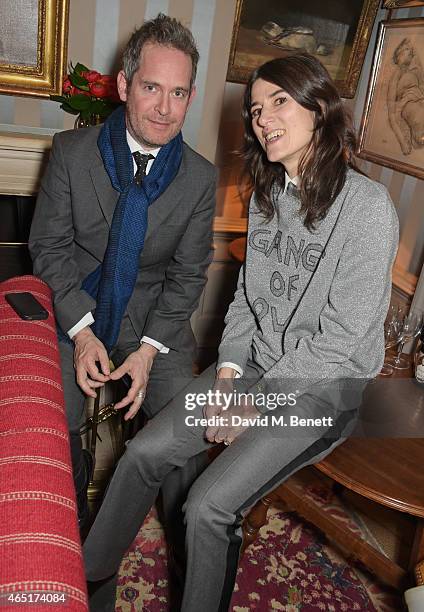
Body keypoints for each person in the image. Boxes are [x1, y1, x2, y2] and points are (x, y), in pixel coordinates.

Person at [83, 53, 399, 611]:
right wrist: (228, 380)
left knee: (207, 506)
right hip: (253, 368)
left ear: (319, 107)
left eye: (279, 100)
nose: (263, 117)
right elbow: (246, 305)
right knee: (144, 453)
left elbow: (342, 342)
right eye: (256, 108)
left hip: (324, 388)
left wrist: (252, 405)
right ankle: (88, 580)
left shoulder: (368, 208)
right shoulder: (269, 195)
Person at [29, 12, 216, 545]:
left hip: (155, 322)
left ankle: (187, 547)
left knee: (189, 428)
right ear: (124, 85)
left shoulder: (200, 178)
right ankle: (73, 541)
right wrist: (83, 332)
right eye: (152, 87)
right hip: (78, 309)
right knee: (55, 423)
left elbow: (188, 275)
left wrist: (150, 351)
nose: (164, 108)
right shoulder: (70, 154)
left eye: (178, 93)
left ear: (191, 95)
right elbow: (49, 247)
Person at [387, 37, 424, 155]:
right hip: (411, 109)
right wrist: (403, 142)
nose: (412, 52)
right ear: (399, 53)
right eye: (408, 49)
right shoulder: (395, 76)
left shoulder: (414, 72)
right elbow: (392, 114)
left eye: (411, 49)